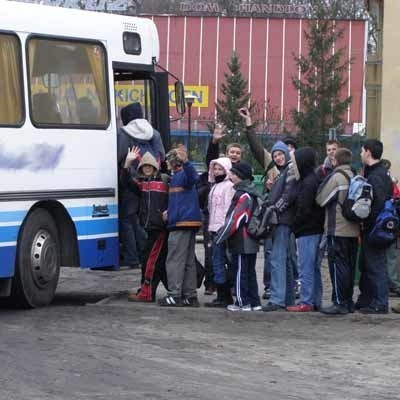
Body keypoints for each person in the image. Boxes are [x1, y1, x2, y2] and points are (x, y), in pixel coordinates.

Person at [116, 102, 165, 268]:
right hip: (150, 183)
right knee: (144, 219)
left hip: (131, 183)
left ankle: (131, 257)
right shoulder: (155, 133)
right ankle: (146, 253)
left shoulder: (124, 133)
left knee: (127, 219)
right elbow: (162, 156)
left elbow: (119, 156)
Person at [121, 148, 169, 303]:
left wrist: (168, 211)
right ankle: (147, 289)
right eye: (144, 167)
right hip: (149, 228)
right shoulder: (142, 184)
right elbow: (126, 181)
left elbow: (177, 196)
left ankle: (147, 292)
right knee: (151, 260)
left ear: (155, 167)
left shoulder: (164, 180)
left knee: (150, 260)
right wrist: (128, 163)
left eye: (150, 166)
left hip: (160, 228)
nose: (147, 169)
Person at [316, 148, 359, 315]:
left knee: (336, 267)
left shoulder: (337, 177)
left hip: (337, 228)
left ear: (336, 161)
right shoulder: (355, 177)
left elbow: (321, 199)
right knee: (348, 267)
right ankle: (348, 301)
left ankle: (339, 302)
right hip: (353, 230)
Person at [159, 145, 202, 307]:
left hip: (180, 223)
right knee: (188, 261)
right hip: (188, 222)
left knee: (175, 260)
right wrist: (169, 211)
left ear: (173, 162)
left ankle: (174, 295)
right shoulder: (178, 176)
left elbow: (193, 178)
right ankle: (190, 296)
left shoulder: (181, 174)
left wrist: (187, 162)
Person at [215, 162, 261, 311]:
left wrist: (220, 236)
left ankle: (242, 302)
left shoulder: (243, 195)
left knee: (240, 271)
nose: (231, 176)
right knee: (250, 272)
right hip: (252, 240)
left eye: (234, 174)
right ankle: (255, 302)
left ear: (241, 177)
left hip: (242, 240)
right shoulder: (253, 193)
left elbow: (235, 220)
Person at [356, 139, 393, 314]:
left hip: (374, 228)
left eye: (362, 151)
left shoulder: (375, 175)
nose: (361, 154)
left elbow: (375, 203)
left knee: (375, 265)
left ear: (368, 152)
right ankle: (368, 300)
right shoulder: (381, 173)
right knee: (368, 264)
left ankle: (379, 302)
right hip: (378, 227)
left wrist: (366, 221)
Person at [287, 147, 324, 312]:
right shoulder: (313, 179)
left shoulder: (307, 182)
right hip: (315, 229)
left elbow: (304, 209)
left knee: (306, 267)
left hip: (307, 230)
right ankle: (315, 300)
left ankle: (306, 301)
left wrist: (294, 226)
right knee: (314, 267)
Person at [262, 141, 298, 312]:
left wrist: (275, 210)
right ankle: (289, 298)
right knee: (286, 260)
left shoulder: (289, 170)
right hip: (285, 220)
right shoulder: (282, 173)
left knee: (277, 259)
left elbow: (288, 194)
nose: (278, 157)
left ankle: (277, 298)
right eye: (275, 155)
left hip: (282, 220)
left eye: (280, 154)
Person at [205, 157, 235, 307]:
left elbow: (227, 210)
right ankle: (223, 295)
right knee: (216, 262)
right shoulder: (214, 186)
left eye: (220, 169)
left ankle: (225, 296)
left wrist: (224, 229)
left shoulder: (229, 186)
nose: (216, 172)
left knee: (221, 262)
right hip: (213, 229)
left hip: (222, 231)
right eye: (215, 169)